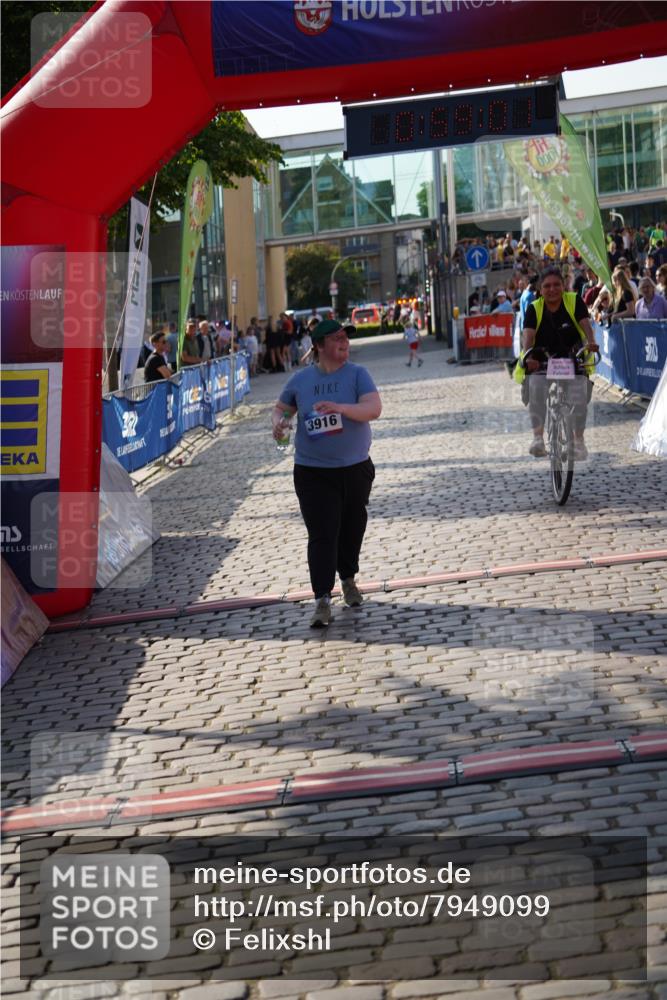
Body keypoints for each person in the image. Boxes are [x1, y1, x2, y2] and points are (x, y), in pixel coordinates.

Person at [271, 319, 382, 628]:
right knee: (322, 533)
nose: (344, 343)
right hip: (313, 471)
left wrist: (341, 408)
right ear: (319, 346)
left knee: (352, 525)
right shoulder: (300, 380)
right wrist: (278, 423)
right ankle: (322, 598)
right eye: (336, 339)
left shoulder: (359, 375)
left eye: (346, 338)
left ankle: (348, 577)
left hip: (355, 467)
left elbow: (373, 408)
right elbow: (280, 409)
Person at [514, 266, 598, 461]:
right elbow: (528, 335)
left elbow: (585, 323)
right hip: (542, 359)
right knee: (535, 386)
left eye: (556, 285)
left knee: (578, 392)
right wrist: (529, 357)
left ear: (564, 285)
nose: (552, 289)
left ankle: (578, 441)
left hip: (572, 355)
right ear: (540, 290)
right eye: (547, 286)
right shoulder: (535, 308)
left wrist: (592, 342)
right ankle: (538, 438)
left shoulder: (574, 300)